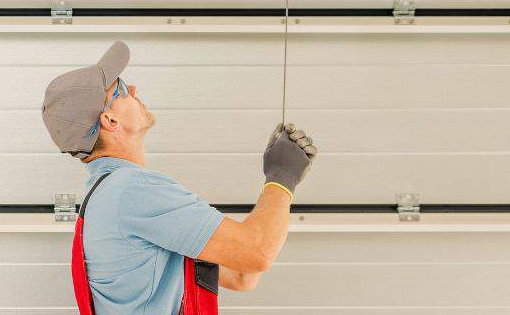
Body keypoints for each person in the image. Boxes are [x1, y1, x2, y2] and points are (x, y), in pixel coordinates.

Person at [41, 41, 318, 315]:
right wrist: (282, 177)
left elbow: (242, 274)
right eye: (122, 89)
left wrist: (274, 185)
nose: (134, 89)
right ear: (110, 121)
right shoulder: (132, 191)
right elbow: (257, 252)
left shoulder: (104, 197)